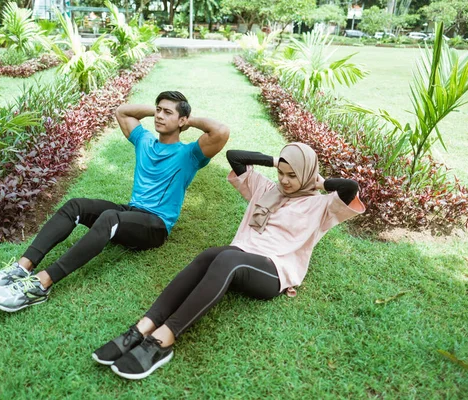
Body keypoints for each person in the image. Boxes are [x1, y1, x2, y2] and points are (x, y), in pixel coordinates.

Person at [92, 143, 365, 380]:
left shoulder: (323, 206)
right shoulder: (267, 189)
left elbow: (350, 188)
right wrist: (275, 161)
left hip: (274, 270)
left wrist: (319, 183)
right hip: (243, 253)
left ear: (308, 174)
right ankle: (142, 328)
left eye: (293, 175)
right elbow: (235, 156)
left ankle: (162, 341)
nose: (285, 180)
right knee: (212, 254)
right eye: (281, 174)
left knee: (228, 260)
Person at [0, 91, 230, 312]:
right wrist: (157, 112)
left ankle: (41, 284)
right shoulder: (145, 140)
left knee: (109, 218)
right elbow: (123, 112)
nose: (160, 116)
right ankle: (21, 268)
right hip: (131, 213)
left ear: (182, 120)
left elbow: (221, 130)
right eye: (158, 110)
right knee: (76, 206)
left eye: (167, 113)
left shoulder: (190, 155)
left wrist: (186, 120)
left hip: (155, 226)